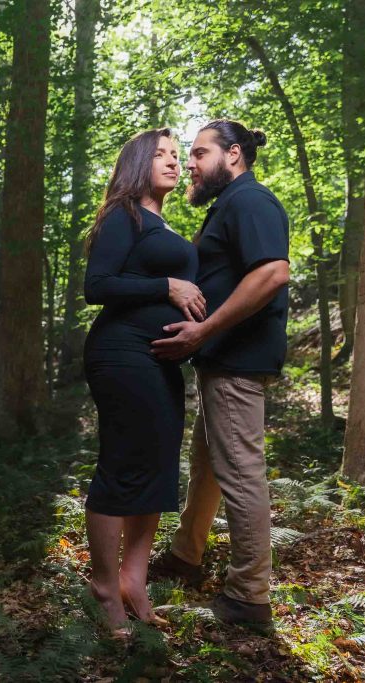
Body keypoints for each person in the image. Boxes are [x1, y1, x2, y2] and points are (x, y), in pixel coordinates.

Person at [150, 119, 290, 631]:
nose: (188, 163)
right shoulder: (228, 204)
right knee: (207, 464)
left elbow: (272, 273)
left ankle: (249, 596)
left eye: (198, 153)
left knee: (239, 471)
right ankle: (186, 556)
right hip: (222, 360)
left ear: (233, 154)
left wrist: (204, 331)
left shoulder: (250, 200)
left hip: (238, 360)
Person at [81, 128, 205, 634]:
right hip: (121, 354)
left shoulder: (163, 223)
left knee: (158, 467)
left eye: (177, 155)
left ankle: (134, 580)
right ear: (136, 164)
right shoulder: (123, 214)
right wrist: (166, 286)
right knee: (124, 464)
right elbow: (97, 285)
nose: (174, 162)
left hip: (160, 362)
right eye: (161, 155)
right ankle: (104, 586)